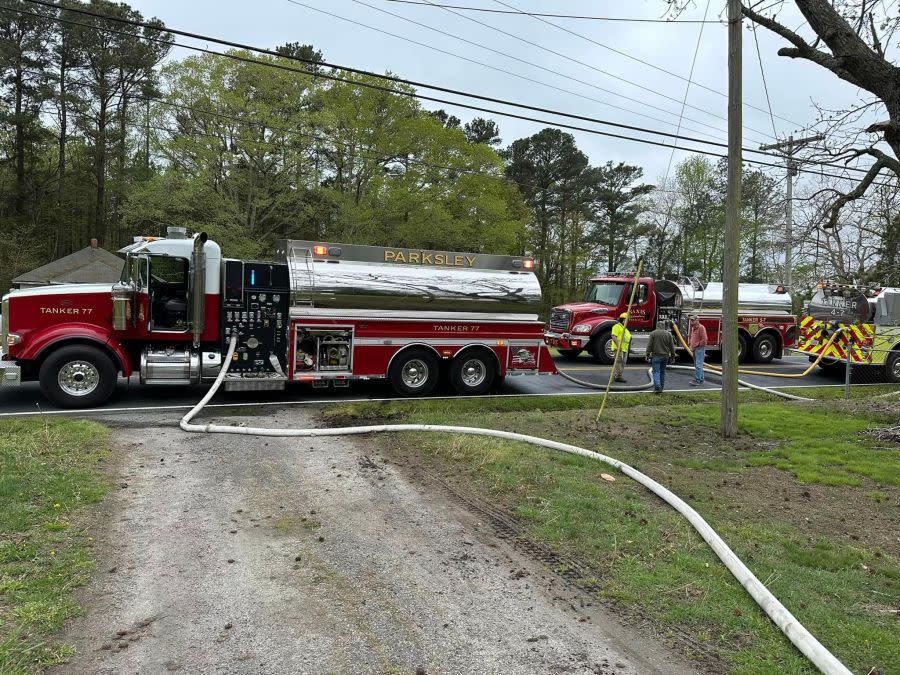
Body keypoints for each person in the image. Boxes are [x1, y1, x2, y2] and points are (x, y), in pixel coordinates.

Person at [645, 320, 676, 394]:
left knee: (656, 372)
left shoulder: (653, 333)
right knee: (662, 372)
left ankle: (657, 387)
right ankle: (661, 388)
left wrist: (647, 354)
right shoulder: (668, 334)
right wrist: (673, 356)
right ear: (664, 326)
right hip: (665, 356)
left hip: (656, 355)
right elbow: (672, 347)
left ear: (657, 326)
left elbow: (649, 345)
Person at [611, 312, 632, 383]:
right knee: (618, 362)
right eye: (627, 320)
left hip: (624, 349)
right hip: (619, 348)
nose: (628, 321)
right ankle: (618, 376)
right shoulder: (617, 326)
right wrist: (618, 346)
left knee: (623, 363)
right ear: (623, 320)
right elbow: (613, 336)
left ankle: (618, 376)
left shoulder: (625, 329)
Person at [688, 314, 708, 386]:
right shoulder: (694, 328)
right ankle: (701, 379)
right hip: (695, 349)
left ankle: (697, 380)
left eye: (693, 320)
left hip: (699, 349)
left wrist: (697, 345)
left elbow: (704, 340)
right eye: (691, 320)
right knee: (698, 365)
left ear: (697, 320)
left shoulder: (701, 328)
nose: (691, 322)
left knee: (698, 365)